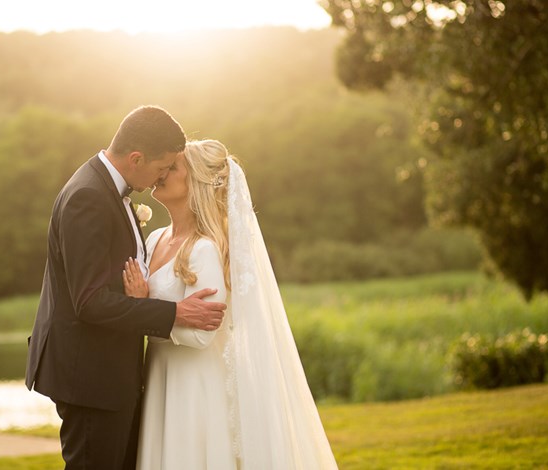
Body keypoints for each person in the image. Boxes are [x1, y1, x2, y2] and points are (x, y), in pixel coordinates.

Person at [25, 106, 226, 470]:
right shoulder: (89, 197)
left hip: (112, 377)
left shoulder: (106, 190)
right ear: (136, 158)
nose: (160, 177)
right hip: (91, 378)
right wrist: (176, 313)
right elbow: (89, 302)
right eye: (161, 167)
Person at [123, 139, 338, 469]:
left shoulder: (205, 249)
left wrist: (142, 312)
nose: (162, 172)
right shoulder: (154, 239)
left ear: (195, 183)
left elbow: (203, 335)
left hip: (193, 384)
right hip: (159, 376)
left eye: (173, 167)